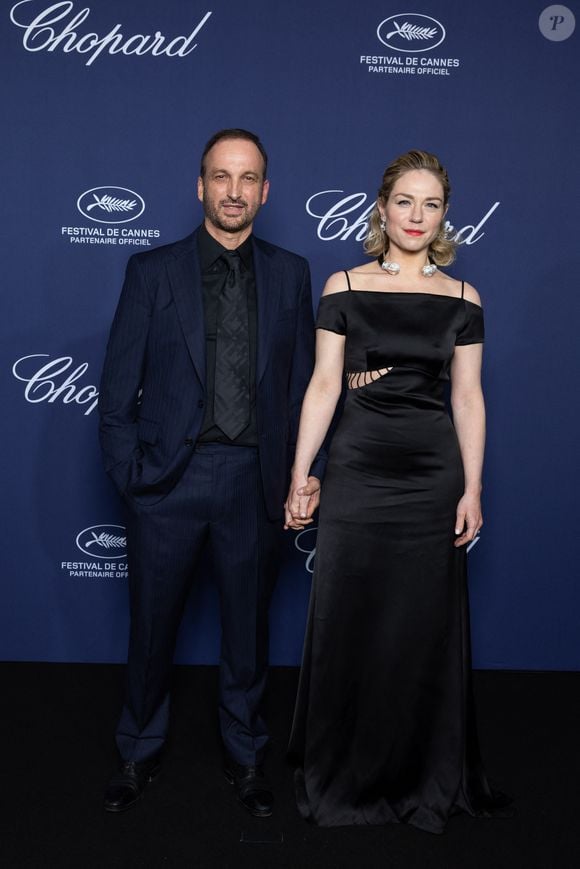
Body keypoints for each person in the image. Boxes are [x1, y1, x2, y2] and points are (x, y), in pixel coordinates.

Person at [98, 128, 323, 816]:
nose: (234, 191)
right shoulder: (151, 270)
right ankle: (138, 751)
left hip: (252, 482)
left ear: (265, 190)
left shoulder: (290, 273)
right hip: (168, 482)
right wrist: (137, 483)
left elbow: (300, 388)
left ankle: (247, 756)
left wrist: (296, 477)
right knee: (151, 630)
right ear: (200, 186)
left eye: (247, 178)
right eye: (221, 177)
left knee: (248, 635)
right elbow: (114, 399)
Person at [285, 150, 508, 834]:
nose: (416, 216)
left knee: (420, 627)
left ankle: (420, 776)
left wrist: (472, 486)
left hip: (431, 475)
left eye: (431, 203)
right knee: (349, 617)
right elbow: (325, 384)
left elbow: (468, 398)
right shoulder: (343, 284)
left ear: (445, 215)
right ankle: (344, 775)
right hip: (356, 468)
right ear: (380, 209)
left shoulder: (464, 298)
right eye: (404, 201)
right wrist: (302, 472)